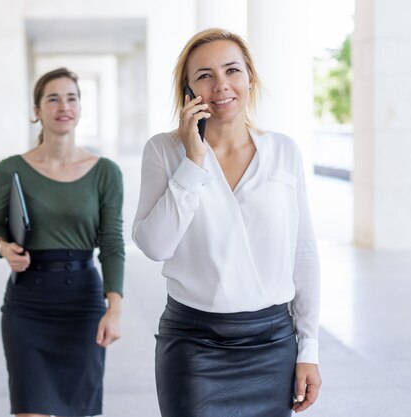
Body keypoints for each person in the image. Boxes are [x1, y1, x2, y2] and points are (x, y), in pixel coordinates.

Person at [132, 28, 322, 416]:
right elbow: (155, 246)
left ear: (250, 77)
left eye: (232, 70)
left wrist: (309, 349)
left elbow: (303, 253)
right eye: (204, 76)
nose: (221, 86)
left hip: (272, 345)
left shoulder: (284, 151)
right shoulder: (163, 151)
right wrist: (193, 161)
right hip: (193, 346)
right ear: (187, 91)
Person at [0, 67, 124, 417]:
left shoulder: (105, 171)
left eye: (72, 98)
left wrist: (114, 309)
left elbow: (112, 244)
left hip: (82, 303)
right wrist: (4, 248)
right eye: (53, 98)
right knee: (29, 410)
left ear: (80, 107)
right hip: (28, 303)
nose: (64, 106)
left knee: (80, 410)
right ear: (37, 110)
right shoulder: (11, 169)